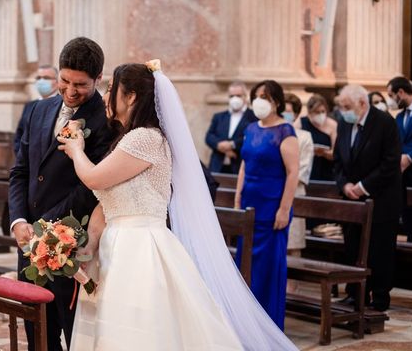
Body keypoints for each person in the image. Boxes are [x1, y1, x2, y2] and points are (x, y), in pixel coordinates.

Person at [58, 62, 297, 351]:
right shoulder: (127, 139)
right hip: (116, 246)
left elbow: (94, 179)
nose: (107, 97)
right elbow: (106, 200)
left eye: (112, 89)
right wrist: (90, 243)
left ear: (131, 96)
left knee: (142, 332)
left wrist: (76, 150)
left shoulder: (146, 138)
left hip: (140, 249)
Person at [8, 38, 113, 351]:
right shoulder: (38, 110)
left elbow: (92, 185)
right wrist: (19, 221)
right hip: (29, 242)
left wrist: (46, 226)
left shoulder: (105, 120)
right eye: (64, 80)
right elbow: (20, 171)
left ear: (98, 79)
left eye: (80, 84)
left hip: (73, 240)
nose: (70, 91)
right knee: (36, 333)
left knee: (75, 333)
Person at [234, 80, 299, 330]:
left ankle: (268, 325)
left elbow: (292, 173)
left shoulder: (285, 131)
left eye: (265, 96)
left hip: (272, 206)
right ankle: (246, 323)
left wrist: (284, 209)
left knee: (267, 267)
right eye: (256, 96)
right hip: (249, 204)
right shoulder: (251, 128)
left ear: (277, 102)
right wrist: (238, 196)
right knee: (246, 263)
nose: (259, 100)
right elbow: (244, 163)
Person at [334, 84, 401, 311]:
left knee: (380, 251)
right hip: (352, 200)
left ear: (363, 104)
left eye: (347, 107)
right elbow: (338, 160)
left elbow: (390, 163)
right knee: (352, 248)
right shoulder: (345, 123)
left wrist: (362, 187)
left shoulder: (384, 123)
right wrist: (345, 185)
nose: (344, 112)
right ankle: (355, 294)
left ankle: (380, 297)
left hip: (381, 199)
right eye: (342, 107)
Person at [283, 93, 314, 292]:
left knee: (293, 244)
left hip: (295, 193)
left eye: (289, 111)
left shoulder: (304, 137)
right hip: (276, 193)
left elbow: (302, 170)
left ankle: (292, 291)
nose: (285, 114)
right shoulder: (276, 133)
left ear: (295, 114)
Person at [387, 76, 412, 243]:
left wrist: (410, 157)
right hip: (405, 180)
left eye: (391, 96)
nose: (391, 101)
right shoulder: (400, 117)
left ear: (400, 92)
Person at [205, 81, 257, 174]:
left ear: (245, 97)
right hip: (217, 166)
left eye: (238, 95)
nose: (235, 99)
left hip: (239, 167)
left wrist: (232, 145)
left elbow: (253, 138)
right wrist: (220, 146)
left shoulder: (253, 117)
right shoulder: (219, 116)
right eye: (231, 96)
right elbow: (209, 137)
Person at [13, 65, 59, 155]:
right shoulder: (29, 106)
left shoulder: (62, 105)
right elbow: (20, 134)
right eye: (38, 78)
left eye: (46, 78)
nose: (41, 81)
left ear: (57, 82)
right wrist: (21, 156)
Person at [296, 94, 337, 181]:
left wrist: (324, 152)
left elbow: (336, 153)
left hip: (326, 170)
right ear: (310, 112)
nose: (321, 115)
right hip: (305, 170)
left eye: (323, 111)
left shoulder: (332, 125)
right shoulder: (300, 123)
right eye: (317, 112)